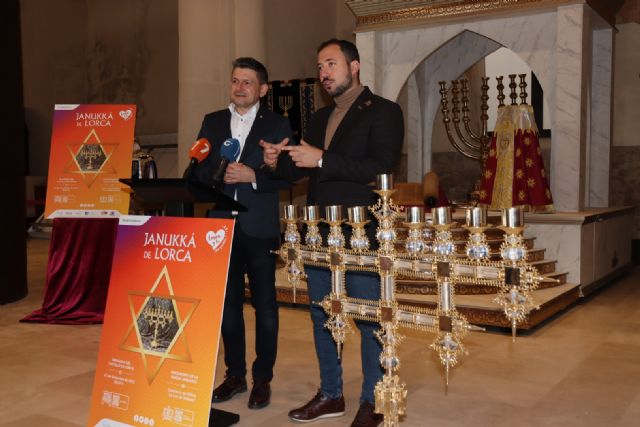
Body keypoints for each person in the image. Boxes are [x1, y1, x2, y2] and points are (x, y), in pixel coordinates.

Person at [261, 39, 404, 427]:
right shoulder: (321, 118)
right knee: (323, 314)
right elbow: (304, 167)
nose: (324, 73)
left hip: (361, 233)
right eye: (320, 66)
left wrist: (322, 158)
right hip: (319, 233)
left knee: (369, 318)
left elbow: (381, 167)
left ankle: (373, 400)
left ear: (354, 66)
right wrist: (276, 162)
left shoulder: (384, 111)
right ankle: (331, 393)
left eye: (331, 64)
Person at [193, 57, 292, 410]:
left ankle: (262, 378)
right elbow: (198, 170)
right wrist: (217, 174)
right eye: (235, 80)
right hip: (220, 227)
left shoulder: (277, 124)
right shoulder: (213, 121)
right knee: (228, 306)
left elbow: (287, 174)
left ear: (262, 89)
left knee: (265, 306)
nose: (239, 87)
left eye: (247, 82)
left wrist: (253, 176)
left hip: (259, 226)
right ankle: (234, 375)